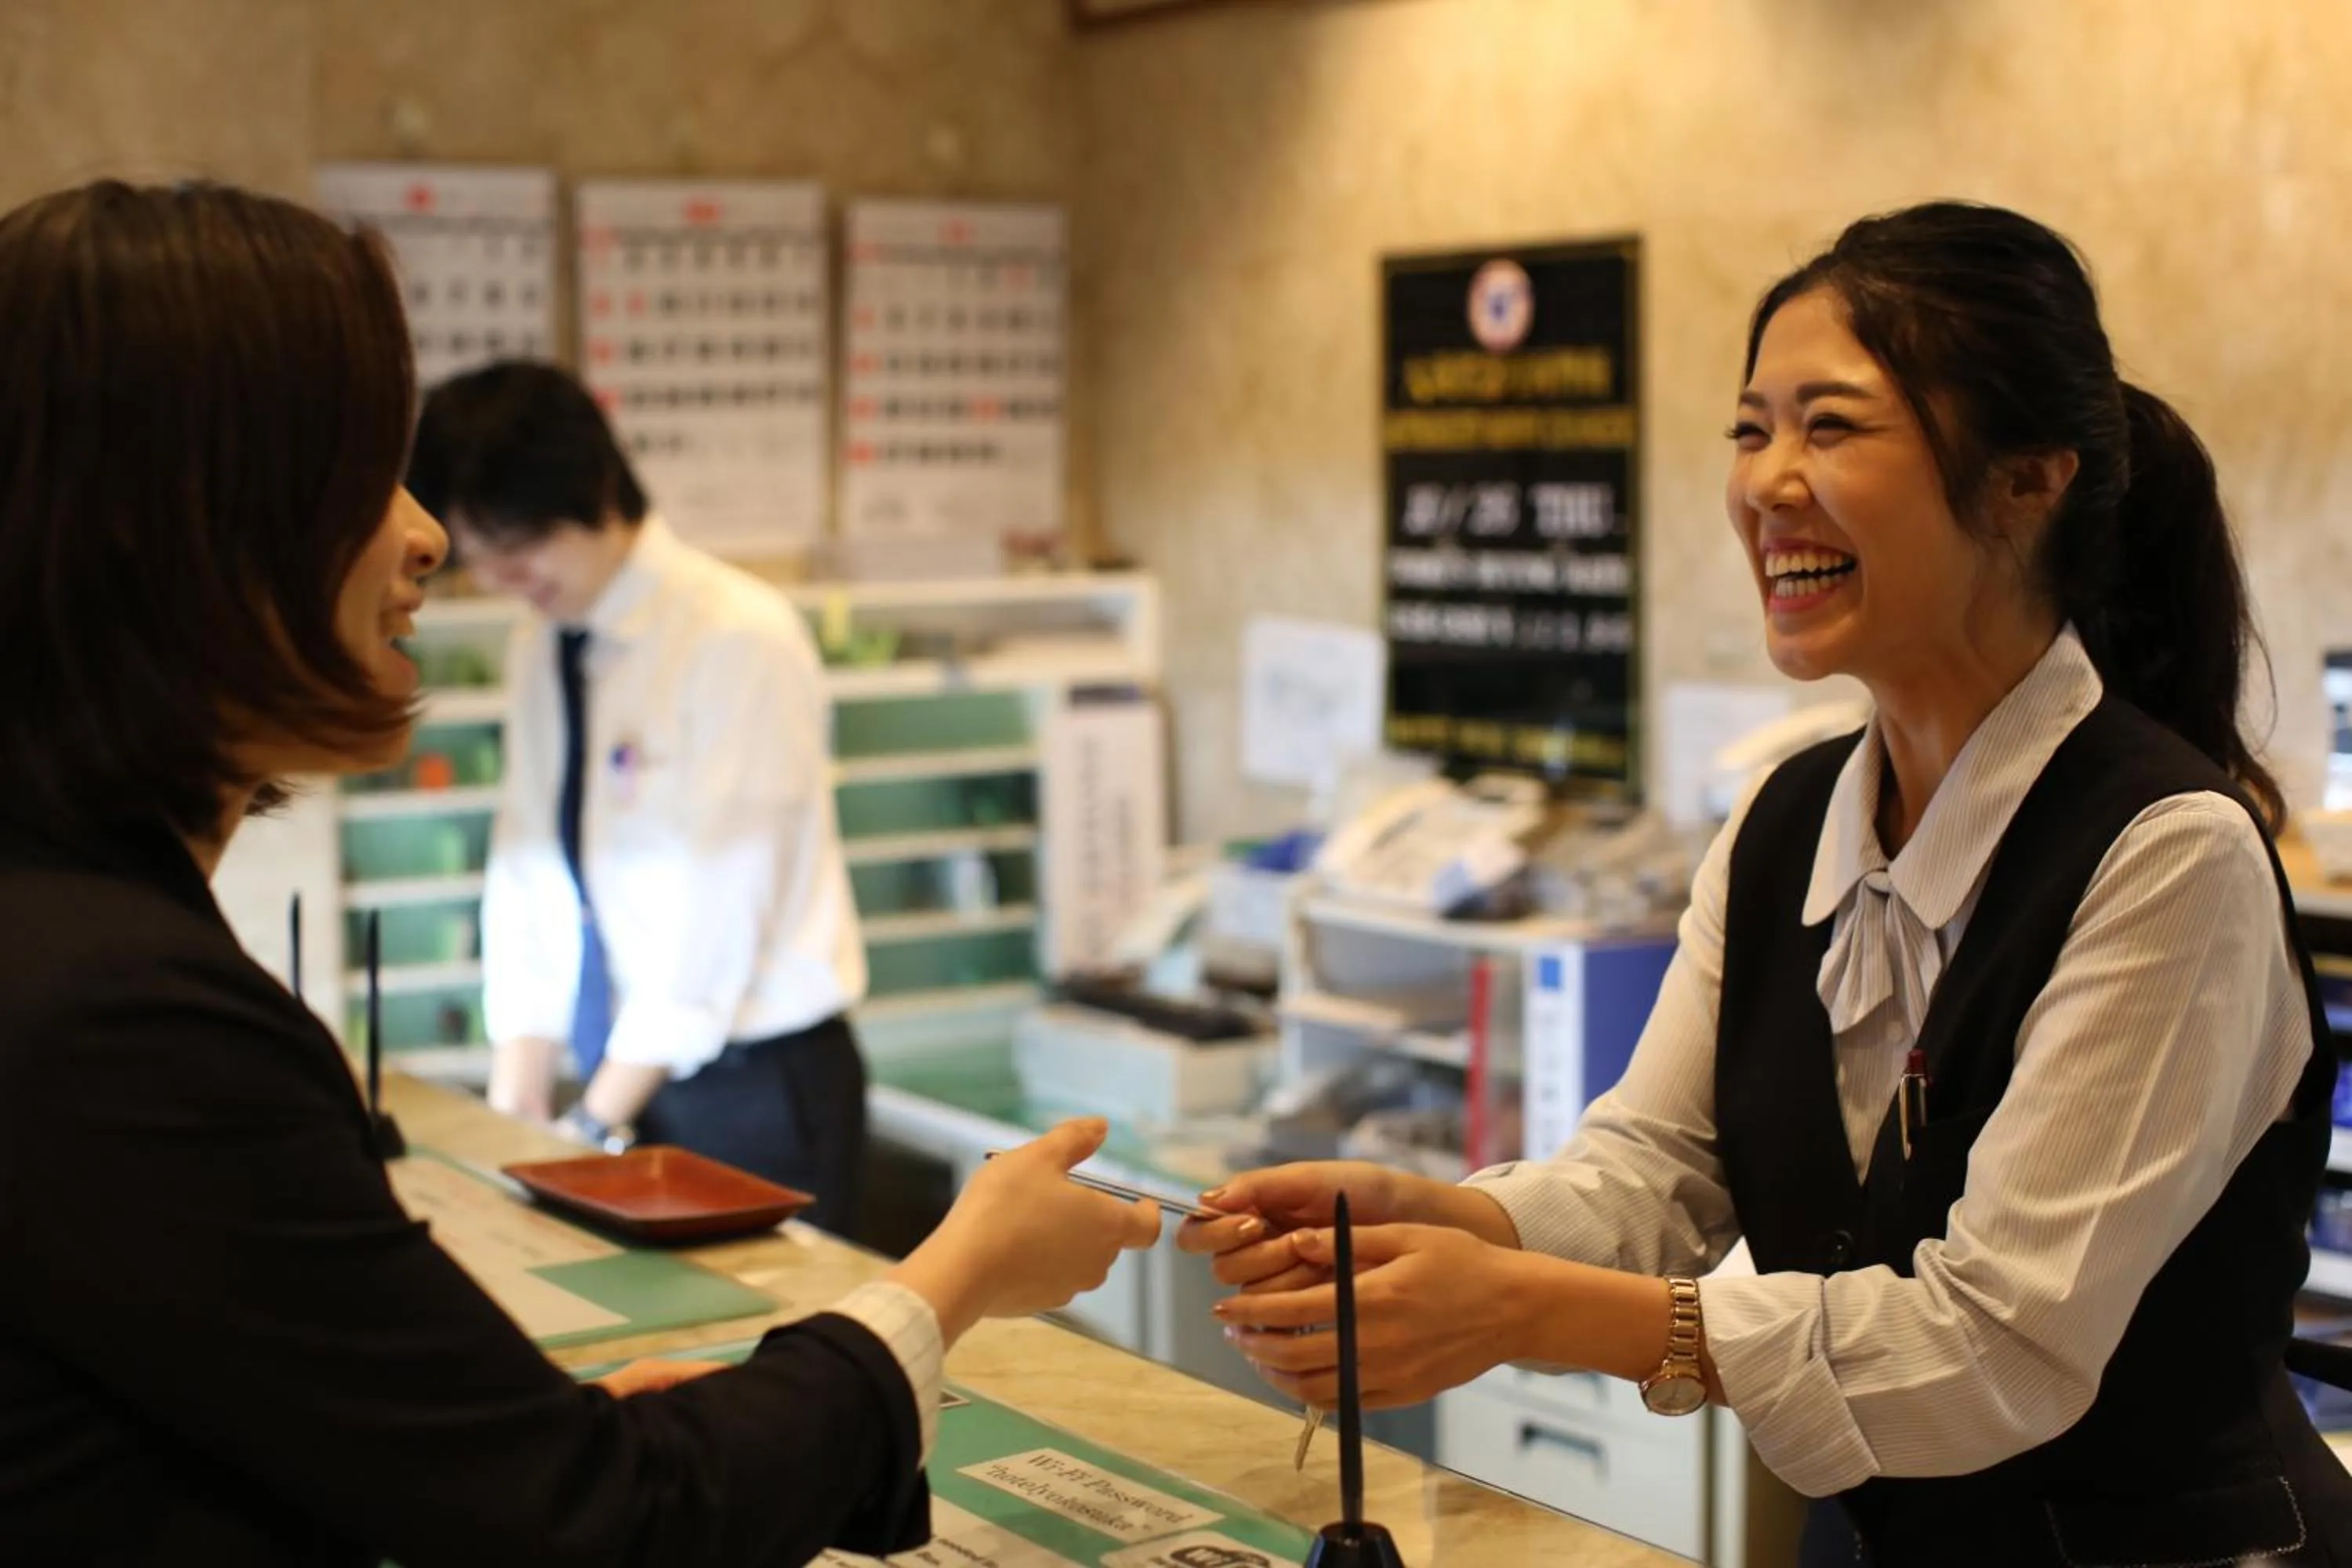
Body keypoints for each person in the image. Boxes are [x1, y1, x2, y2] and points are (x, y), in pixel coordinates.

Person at [0, 178, 1159, 1566]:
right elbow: (595, 1527)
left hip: (745, 1066)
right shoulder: (124, 1018)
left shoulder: (735, 631)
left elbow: (720, 909)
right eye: (364, 470)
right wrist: (957, 1275)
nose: (428, 539)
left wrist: (536, 1420)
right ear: (182, 525)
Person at [1184, 201, 2352, 1566]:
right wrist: (1454, 1220)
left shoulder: (2169, 857)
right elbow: (1660, 1166)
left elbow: (1992, 1345)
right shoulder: (1788, 818)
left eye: (1834, 427)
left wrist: (1519, 1309)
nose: (1767, 482)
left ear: (2030, 478)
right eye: (1751, 429)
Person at [407, 362, 871, 1232]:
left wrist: (592, 1119)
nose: (502, 573)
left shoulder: (735, 636)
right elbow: (529, 864)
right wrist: (518, 1090)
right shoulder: (543, 644)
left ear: (592, 490)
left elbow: (716, 914)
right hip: (625, 1073)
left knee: (777, 1356)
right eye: (478, 553)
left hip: (754, 1082)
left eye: (517, 541)